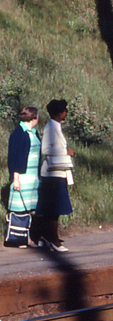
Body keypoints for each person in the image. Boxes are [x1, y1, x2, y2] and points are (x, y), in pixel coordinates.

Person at [35, 99, 73, 252]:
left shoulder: (56, 126)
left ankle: (46, 237)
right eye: (64, 110)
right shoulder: (51, 127)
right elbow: (46, 149)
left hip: (58, 173)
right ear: (59, 113)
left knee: (52, 209)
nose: (66, 113)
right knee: (54, 209)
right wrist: (66, 152)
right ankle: (54, 241)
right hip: (52, 175)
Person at [6, 106, 41, 248]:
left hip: (33, 178)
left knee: (31, 210)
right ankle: (19, 238)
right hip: (23, 178)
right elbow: (14, 157)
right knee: (21, 210)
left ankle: (28, 237)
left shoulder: (34, 132)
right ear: (34, 117)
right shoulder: (19, 133)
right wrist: (16, 179)